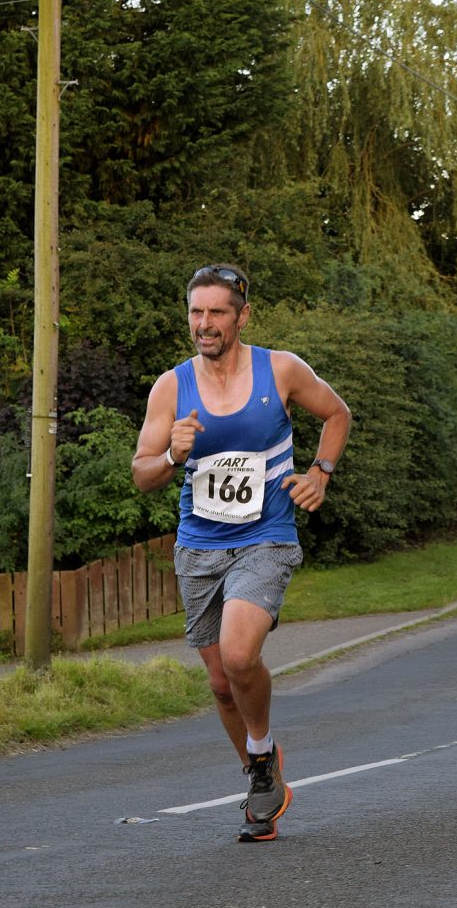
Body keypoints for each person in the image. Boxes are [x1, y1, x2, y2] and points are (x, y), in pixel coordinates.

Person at [132, 264, 351, 841]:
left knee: (237, 652)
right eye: (196, 313)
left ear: (242, 315)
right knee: (222, 683)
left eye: (217, 313)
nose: (205, 324)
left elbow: (336, 413)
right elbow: (141, 473)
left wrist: (320, 474)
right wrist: (173, 456)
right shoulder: (170, 387)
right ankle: (261, 771)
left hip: (267, 538)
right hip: (199, 547)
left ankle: (259, 753)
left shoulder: (279, 370)